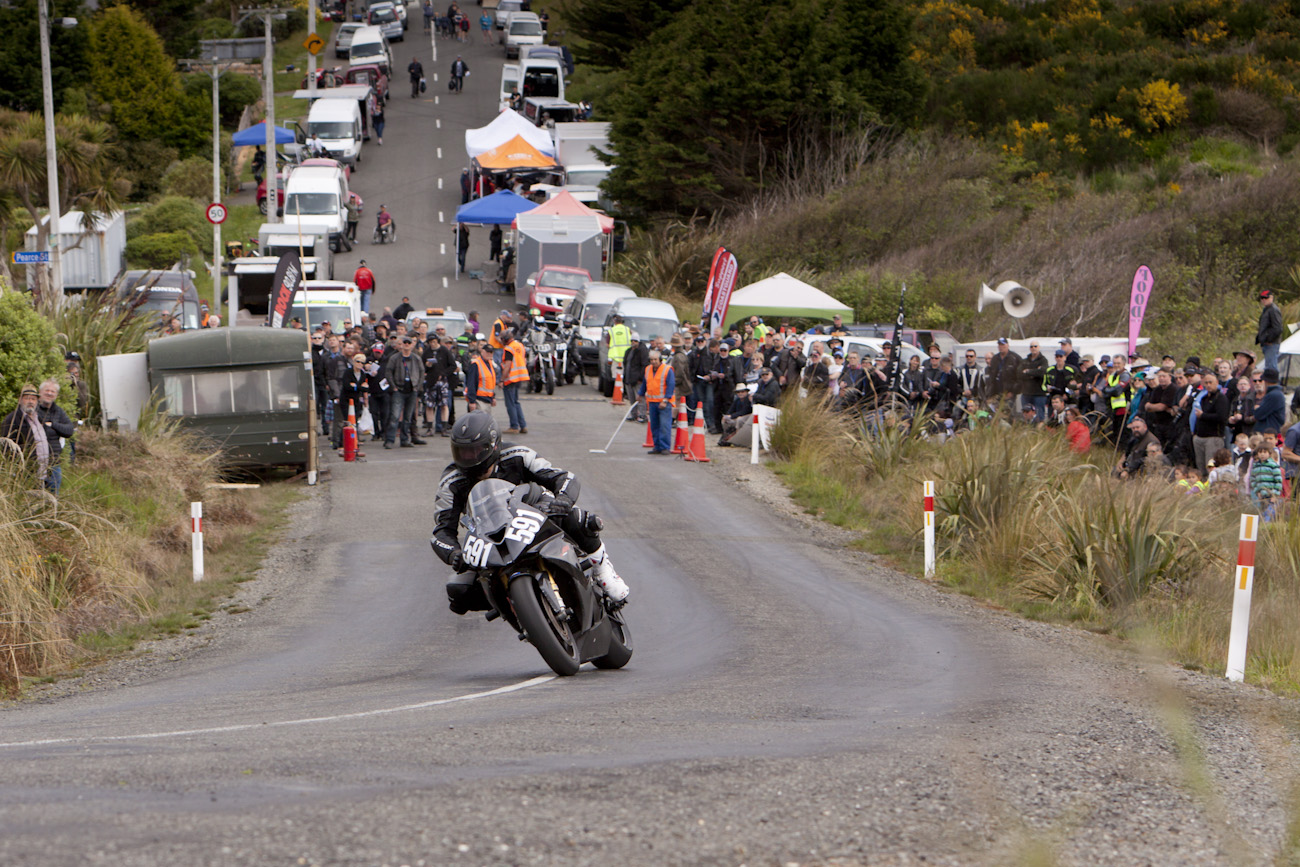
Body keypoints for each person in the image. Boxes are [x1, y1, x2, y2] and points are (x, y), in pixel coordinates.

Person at [432, 412, 629, 613]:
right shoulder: (450, 482)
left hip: (532, 515)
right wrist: (454, 553)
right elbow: (442, 531)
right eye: (462, 452)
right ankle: (517, 612)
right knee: (459, 593)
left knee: (578, 519)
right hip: (489, 537)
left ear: (492, 445)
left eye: (474, 451)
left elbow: (563, 477)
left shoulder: (518, 454)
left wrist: (563, 499)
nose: (468, 457)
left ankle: (603, 570)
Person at [1, 385, 52, 489]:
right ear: (20, 400)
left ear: (37, 401)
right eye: (27, 398)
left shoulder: (39, 418)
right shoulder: (12, 419)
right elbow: (4, 445)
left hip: (42, 474)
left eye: (33, 399)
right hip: (24, 474)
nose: (30, 401)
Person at [383, 337, 426, 449]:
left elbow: (422, 372)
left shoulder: (416, 358)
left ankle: (404, 439)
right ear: (401, 345)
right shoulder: (394, 358)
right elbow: (388, 372)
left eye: (409, 343)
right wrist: (393, 387)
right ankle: (389, 440)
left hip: (412, 390)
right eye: (404, 343)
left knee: (408, 417)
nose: (406, 345)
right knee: (395, 416)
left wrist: (417, 386)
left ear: (412, 345)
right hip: (399, 390)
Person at [639, 349, 676, 453]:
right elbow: (645, 383)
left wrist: (665, 400)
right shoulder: (648, 369)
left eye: (655, 359)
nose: (653, 362)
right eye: (651, 360)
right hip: (652, 402)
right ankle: (657, 446)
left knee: (664, 425)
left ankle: (665, 447)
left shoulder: (667, 370)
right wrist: (640, 393)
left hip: (664, 403)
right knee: (654, 426)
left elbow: (671, 385)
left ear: (660, 359)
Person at [335, 353, 371, 455]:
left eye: (362, 362)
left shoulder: (363, 374)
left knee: (355, 422)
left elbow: (366, 388)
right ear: (354, 362)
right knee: (347, 422)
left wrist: (356, 386)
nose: (359, 364)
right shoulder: (348, 372)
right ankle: (342, 444)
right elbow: (347, 386)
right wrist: (359, 387)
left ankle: (354, 443)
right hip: (346, 400)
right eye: (358, 361)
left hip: (356, 400)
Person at [500, 328, 529, 434]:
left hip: (511, 378)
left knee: (510, 403)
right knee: (516, 402)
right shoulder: (519, 345)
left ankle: (514, 426)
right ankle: (523, 425)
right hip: (520, 376)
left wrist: (502, 379)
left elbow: (507, 366)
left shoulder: (509, 348)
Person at [465, 339, 498, 413]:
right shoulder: (476, 364)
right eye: (487, 352)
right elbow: (471, 383)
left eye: (491, 352)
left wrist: (493, 397)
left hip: (487, 400)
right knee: (478, 419)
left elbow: (490, 383)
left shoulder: (490, 364)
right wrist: (472, 401)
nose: (489, 354)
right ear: (482, 351)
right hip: (479, 400)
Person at [1256, 289, 1283, 372]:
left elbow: (1278, 328)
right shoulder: (1267, 309)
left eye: (1266, 298)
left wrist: (1269, 339)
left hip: (1272, 343)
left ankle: (1273, 380)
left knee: (1271, 368)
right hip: (1267, 343)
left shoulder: (1273, 310)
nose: (1264, 300)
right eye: (1262, 298)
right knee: (1269, 366)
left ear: (1271, 298)